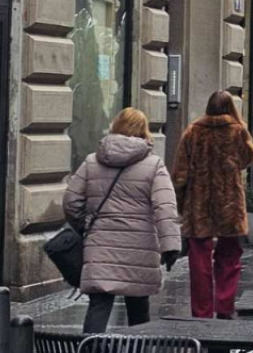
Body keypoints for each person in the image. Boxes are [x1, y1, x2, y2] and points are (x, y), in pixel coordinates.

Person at [64, 108, 180, 333]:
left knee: (98, 306)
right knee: (138, 308)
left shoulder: (92, 161)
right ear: (144, 130)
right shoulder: (154, 165)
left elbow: (71, 200)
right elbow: (165, 208)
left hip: (100, 246)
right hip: (139, 247)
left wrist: (85, 224)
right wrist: (171, 247)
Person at [173, 90, 253, 319]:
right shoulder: (237, 131)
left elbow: (180, 173)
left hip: (198, 203)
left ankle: (202, 310)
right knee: (230, 255)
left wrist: (182, 204)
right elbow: (249, 158)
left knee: (199, 259)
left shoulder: (192, 132)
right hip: (228, 203)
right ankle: (224, 304)